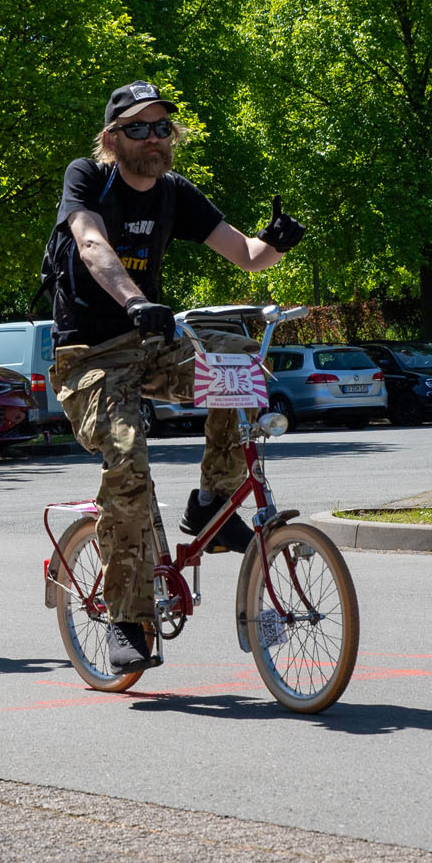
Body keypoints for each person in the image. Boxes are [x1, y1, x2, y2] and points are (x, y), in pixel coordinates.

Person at [46, 80, 306, 669]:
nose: (154, 137)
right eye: (137, 128)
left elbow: (247, 255)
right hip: (89, 356)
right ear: (112, 138)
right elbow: (90, 244)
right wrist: (135, 300)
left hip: (151, 344)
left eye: (162, 126)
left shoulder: (174, 194)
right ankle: (126, 619)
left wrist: (277, 243)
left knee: (237, 361)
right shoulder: (88, 177)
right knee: (129, 462)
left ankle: (211, 502)